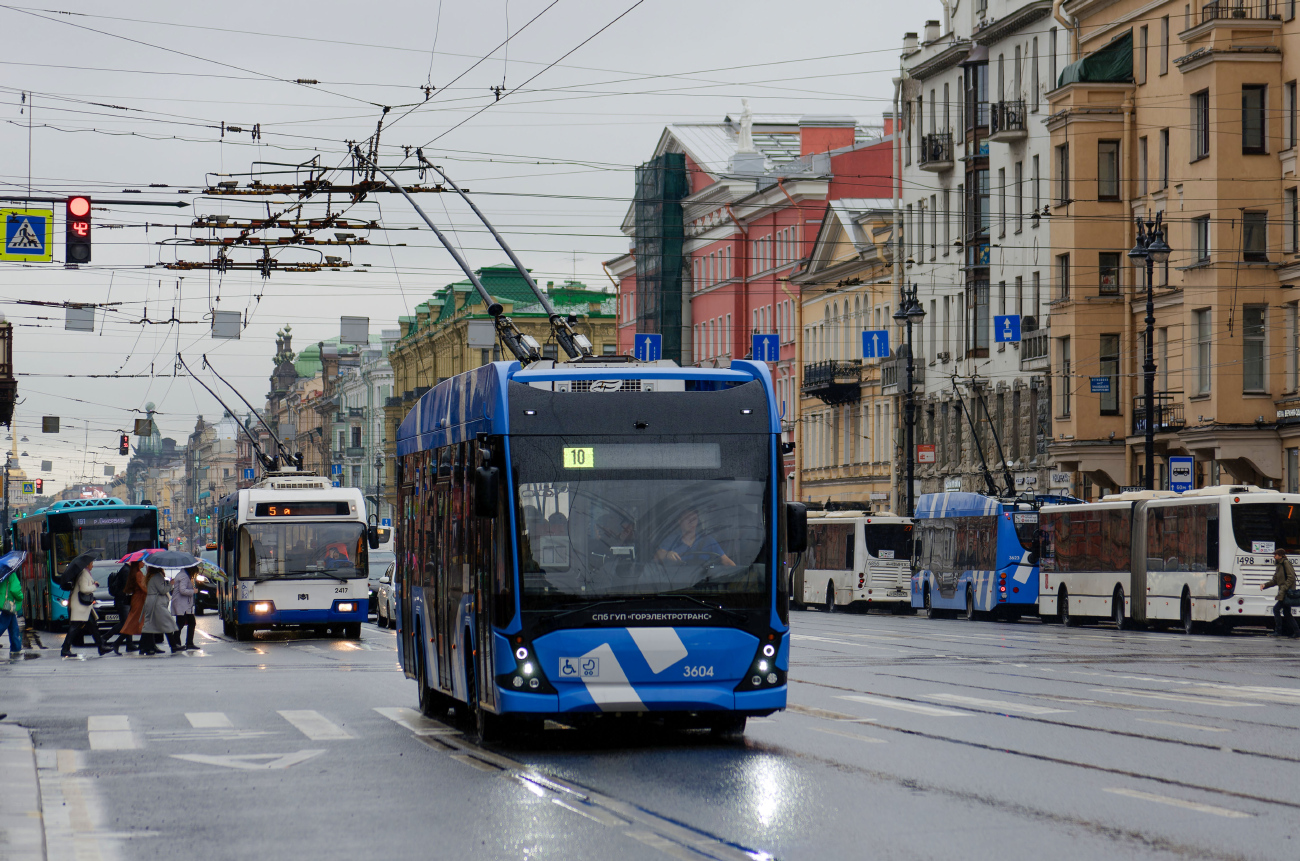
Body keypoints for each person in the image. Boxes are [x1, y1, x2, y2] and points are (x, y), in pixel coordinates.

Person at [656, 508, 735, 567]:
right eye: (687, 518)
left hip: (704, 585)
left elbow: (727, 562)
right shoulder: (671, 540)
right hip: (676, 585)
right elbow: (657, 556)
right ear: (679, 521)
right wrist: (667, 554)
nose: (691, 522)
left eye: (694, 519)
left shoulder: (708, 540)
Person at [62, 559, 108, 657]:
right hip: (80, 606)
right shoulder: (84, 574)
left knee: (93, 626)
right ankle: (65, 648)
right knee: (75, 626)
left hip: (84, 606)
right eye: (91, 563)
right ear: (88, 564)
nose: (92, 566)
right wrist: (94, 586)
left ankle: (101, 647)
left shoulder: (85, 572)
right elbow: (84, 589)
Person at [105, 561, 146, 653]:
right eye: (141, 561)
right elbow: (131, 587)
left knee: (129, 623)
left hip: (127, 600)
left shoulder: (129, 570)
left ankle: (128, 644)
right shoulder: (127, 571)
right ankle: (106, 638)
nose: (143, 563)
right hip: (125, 600)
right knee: (127, 624)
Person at [139, 566, 180, 655]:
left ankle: (143, 647)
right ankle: (173, 645)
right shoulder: (157, 576)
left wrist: (167, 582)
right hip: (157, 603)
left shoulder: (151, 576)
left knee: (150, 624)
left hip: (152, 601)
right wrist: (171, 584)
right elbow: (162, 590)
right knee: (167, 622)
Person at [1262, 547, 1300, 639]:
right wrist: (1265, 585)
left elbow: (1291, 578)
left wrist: (1284, 588)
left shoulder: (1285, 563)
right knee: (1287, 613)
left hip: (1286, 593)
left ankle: (1278, 631)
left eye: (1275, 555)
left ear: (1280, 556)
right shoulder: (1279, 565)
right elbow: (1275, 580)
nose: (1274, 556)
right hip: (1283, 592)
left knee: (1276, 609)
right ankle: (1297, 632)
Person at [171, 565, 198, 651]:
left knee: (184, 622)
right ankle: (179, 643)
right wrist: (193, 591)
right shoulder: (184, 576)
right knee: (184, 622)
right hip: (182, 603)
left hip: (183, 603)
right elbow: (182, 590)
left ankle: (179, 643)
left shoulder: (182, 574)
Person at [1, 566, 22, 655]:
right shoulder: (12, 575)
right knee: (2, 624)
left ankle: (16, 647)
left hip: (3, 602)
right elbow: (15, 590)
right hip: (9, 603)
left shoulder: (2, 574)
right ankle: (15, 647)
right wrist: (21, 597)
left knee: (14, 627)